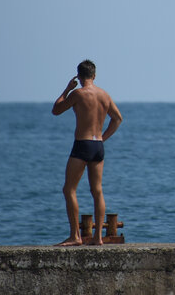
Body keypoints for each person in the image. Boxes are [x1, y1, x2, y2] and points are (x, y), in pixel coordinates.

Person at [51, 60, 122, 246]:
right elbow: (117, 119)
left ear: (79, 76)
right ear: (95, 76)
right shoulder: (104, 95)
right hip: (98, 146)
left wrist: (66, 89)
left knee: (69, 189)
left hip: (82, 145)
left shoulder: (78, 94)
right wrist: (103, 138)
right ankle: (98, 237)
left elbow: (56, 110)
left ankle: (75, 236)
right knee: (97, 191)